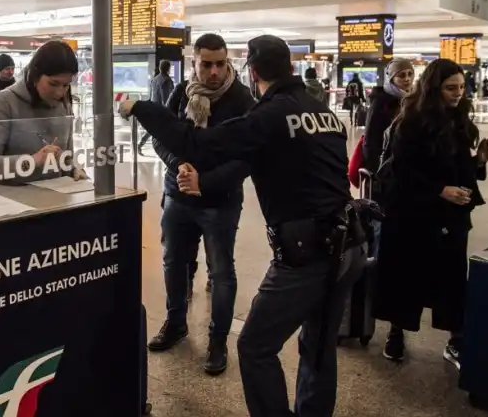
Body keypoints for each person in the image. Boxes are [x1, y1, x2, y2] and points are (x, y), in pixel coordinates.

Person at [119, 35, 367, 417]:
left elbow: (197, 145)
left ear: (251, 72)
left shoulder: (267, 115)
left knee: (254, 346)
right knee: (318, 346)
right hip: (348, 244)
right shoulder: (324, 114)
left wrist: (138, 106)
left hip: (306, 253)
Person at [374, 59, 488, 368]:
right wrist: (440, 190)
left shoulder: (459, 120)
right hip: (413, 214)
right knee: (407, 275)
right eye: (450, 88)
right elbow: (403, 171)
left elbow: (456, 165)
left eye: (461, 87)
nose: (458, 93)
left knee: (452, 278)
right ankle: (397, 331)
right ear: (434, 89)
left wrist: (478, 161)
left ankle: (456, 337)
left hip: (451, 216)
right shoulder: (411, 123)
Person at [146, 33, 255, 376]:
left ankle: (218, 341)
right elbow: (160, 137)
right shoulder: (182, 93)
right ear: (193, 63)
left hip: (219, 201)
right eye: (206, 64)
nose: (213, 71)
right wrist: (179, 166)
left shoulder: (241, 99)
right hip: (178, 195)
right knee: (174, 262)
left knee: (221, 271)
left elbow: (249, 156)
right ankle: (176, 323)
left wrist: (204, 181)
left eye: (220, 63)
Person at [0, 40, 85, 184]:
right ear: (35, 76)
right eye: (53, 84)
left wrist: (73, 169)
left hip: (56, 199)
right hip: (14, 201)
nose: (60, 92)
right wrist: (31, 161)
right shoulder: (4, 102)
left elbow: (66, 158)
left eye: (66, 85)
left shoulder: (64, 104)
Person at [362, 59, 414, 174]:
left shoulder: (415, 100)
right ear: (391, 78)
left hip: (408, 165)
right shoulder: (381, 102)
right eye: (401, 75)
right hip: (386, 165)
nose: (407, 79)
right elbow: (370, 138)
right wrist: (374, 170)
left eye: (410, 74)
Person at [137, 60, 175, 155]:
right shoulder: (167, 80)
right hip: (162, 109)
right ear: (168, 69)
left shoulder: (154, 79)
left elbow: (151, 94)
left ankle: (140, 144)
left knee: (154, 128)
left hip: (154, 106)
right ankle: (167, 151)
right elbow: (167, 96)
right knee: (160, 129)